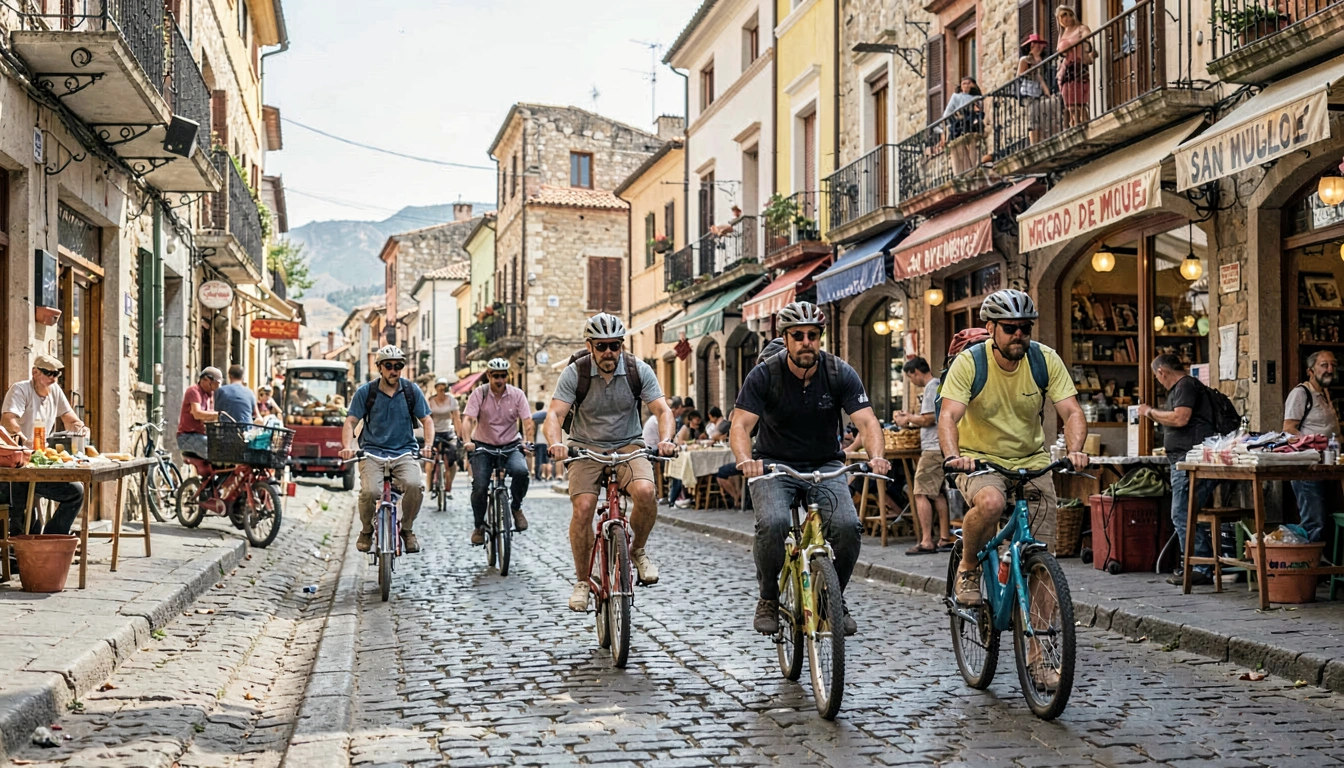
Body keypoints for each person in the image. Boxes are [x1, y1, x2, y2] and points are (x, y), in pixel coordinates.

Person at [730, 301, 891, 637]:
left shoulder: (838, 372)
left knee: (848, 527)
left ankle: (832, 597)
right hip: (773, 464)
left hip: (825, 463)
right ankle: (769, 598)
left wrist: (876, 455)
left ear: (820, 337)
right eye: (798, 335)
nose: (806, 341)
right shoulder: (764, 374)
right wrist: (746, 460)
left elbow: (867, 421)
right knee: (773, 524)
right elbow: (741, 426)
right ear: (785, 339)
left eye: (813, 335)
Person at [940, 290, 1088, 606]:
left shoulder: (1044, 359)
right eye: (1010, 327)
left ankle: (1039, 653)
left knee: (1043, 557)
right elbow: (949, 415)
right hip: (979, 460)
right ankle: (968, 567)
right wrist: (954, 456)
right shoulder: (970, 362)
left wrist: (1075, 449)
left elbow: (1072, 411)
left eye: (1025, 327)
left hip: (1032, 460)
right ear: (991, 328)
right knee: (991, 503)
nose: (1018, 334)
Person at [545, 312, 677, 611]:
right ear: (590, 345)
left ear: (622, 345)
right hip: (585, 447)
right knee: (583, 508)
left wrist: (667, 439)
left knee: (645, 493)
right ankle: (582, 581)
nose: (609, 352)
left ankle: (638, 550)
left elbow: (662, 410)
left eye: (614, 345)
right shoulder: (575, 372)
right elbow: (554, 414)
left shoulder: (637, 370)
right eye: (602, 345)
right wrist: (555, 444)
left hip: (628, 444)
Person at [339, 346, 433, 554]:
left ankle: (407, 530)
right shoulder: (366, 392)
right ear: (379, 367)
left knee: (415, 485)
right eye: (389, 366)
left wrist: (427, 446)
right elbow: (350, 422)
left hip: (404, 451)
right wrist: (347, 447)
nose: (394, 370)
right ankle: (366, 530)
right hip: (372, 452)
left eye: (398, 366)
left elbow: (427, 420)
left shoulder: (411, 390)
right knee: (370, 491)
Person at [1139, 355, 1220, 585]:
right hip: (1185, 460)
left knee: (1182, 512)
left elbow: (1180, 418)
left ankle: (1201, 567)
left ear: (1162, 372)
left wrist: (1149, 412)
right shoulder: (1188, 386)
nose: (1159, 381)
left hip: (1190, 461)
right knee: (1185, 512)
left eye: (1157, 377)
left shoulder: (1184, 385)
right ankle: (1196, 565)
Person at [2, 355, 86, 543]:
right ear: (35, 372)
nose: (53, 378)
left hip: (40, 462)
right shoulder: (21, 389)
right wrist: (23, 439)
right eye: (49, 373)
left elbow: (69, 418)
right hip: (18, 463)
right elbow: (8, 419)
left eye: (56, 374)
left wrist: (80, 426)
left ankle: (50, 541)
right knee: (24, 510)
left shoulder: (54, 390)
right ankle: (18, 556)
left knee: (75, 492)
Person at [462, 358, 535, 543]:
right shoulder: (479, 393)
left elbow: (527, 421)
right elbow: (468, 419)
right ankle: (479, 525)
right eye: (495, 376)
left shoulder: (517, 394)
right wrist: (466, 441)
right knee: (479, 486)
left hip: (511, 445)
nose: (499, 380)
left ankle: (516, 507)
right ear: (488, 375)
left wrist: (529, 442)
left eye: (503, 376)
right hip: (483, 446)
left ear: (507, 376)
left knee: (521, 472)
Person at [893, 356, 953, 555]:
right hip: (940, 446)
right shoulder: (937, 386)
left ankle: (927, 540)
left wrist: (908, 418)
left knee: (919, 492)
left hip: (933, 447)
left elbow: (928, 419)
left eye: (911, 378)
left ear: (915, 372)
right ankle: (944, 538)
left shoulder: (931, 387)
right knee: (937, 493)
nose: (913, 382)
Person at [1282, 350, 1339, 543]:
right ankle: (1308, 566)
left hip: (1326, 467)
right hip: (1307, 469)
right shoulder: (1301, 393)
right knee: (1315, 521)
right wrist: (1313, 444)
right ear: (1310, 371)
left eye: (1333, 365)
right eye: (1324, 365)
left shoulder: (1325, 394)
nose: (1330, 369)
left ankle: (1319, 564)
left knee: (1325, 520)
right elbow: (1288, 429)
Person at [426, 377, 465, 500]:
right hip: (435, 432)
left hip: (448, 432)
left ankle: (448, 488)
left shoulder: (452, 401)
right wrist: (428, 437)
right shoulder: (430, 401)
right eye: (440, 386)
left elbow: (456, 419)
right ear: (436, 388)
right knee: (431, 460)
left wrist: (460, 435)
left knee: (452, 460)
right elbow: (427, 419)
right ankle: (431, 486)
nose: (442, 389)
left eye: (444, 386)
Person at [1056, 5, 1093, 128]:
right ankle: (1075, 125)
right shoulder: (1062, 34)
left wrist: (1087, 50)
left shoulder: (1081, 28)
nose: (1064, 18)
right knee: (1070, 104)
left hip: (1078, 66)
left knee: (1080, 101)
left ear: (1072, 15)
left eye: (1066, 14)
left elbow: (1089, 39)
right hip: (1066, 70)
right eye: (1061, 16)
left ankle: (1085, 125)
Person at [177, 367, 222, 458]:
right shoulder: (194, 391)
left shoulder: (209, 395)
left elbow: (210, 415)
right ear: (205, 379)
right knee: (214, 452)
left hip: (200, 434)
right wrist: (219, 415)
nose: (215, 388)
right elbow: (197, 414)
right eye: (214, 384)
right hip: (187, 436)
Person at [1018, 34, 1054, 145]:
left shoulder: (1043, 60)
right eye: (1035, 43)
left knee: (1041, 115)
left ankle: (1041, 140)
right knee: (1033, 116)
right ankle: (1034, 143)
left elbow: (1041, 78)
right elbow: (1019, 75)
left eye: (1039, 44)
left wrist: (1047, 93)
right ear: (1031, 45)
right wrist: (1032, 70)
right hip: (1028, 90)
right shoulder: (1025, 59)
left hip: (1038, 90)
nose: (1037, 46)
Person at [531, 401, 550, 481]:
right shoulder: (545, 415)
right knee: (545, 460)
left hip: (537, 441)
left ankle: (537, 474)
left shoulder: (534, 416)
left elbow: (532, 431)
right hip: (544, 441)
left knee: (537, 459)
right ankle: (545, 475)